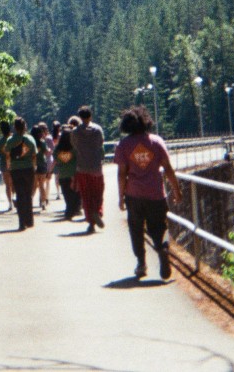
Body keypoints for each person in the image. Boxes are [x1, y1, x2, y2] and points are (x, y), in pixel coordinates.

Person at [115, 106, 182, 280]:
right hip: (156, 194)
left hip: (134, 194)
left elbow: (122, 173)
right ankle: (163, 248)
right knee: (159, 227)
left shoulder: (123, 145)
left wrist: (121, 196)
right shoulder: (156, 141)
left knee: (136, 229)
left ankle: (141, 263)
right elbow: (167, 168)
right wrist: (176, 190)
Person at [70, 105, 107, 232]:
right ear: (90, 116)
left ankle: (90, 222)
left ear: (80, 117)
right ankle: (98, 211)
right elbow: (101, 144)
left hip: (82, 168)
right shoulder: (97, 129)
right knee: (98, 193)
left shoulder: (75, 132)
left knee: (86, 196)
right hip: (96, 167)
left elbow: (74, 146)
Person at [3, 117, 38, 230]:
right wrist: (33, 167)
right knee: (28, 194)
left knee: (19, 194)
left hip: (16, 169)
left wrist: (9, 168)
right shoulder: (30, 139)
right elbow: (34, 156)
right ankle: (29, 220)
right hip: (28, 169)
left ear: (15, 127)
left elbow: (7, 156)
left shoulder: (10, 141)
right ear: (25, 127)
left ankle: (21, 222)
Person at [54, 118, 80, 219]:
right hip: (74, 174)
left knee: (66, 194)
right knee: (75, 193)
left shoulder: (57, 149)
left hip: (63, 174)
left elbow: (56, 158)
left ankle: (69, 210)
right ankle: (75, 209)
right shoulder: (75, 148)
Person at [0, 120, 14, 211]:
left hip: (4, 164)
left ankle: (10, 203)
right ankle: (15, 198)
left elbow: (0, 151)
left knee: (7, 185)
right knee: (14, 182)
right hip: (14, 163)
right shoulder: (13, 139)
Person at [32, 122, 52, 210]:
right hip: (42, 164)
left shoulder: (32, 143)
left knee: (34, 185)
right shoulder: (42, 142)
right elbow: (47, 151)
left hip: (34, 165)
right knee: (41, 185)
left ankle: (30, 200)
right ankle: (43, 203)